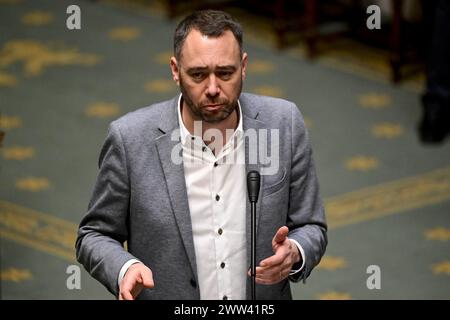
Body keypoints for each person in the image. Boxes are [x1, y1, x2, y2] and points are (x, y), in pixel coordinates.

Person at [76, 9, 327, 300]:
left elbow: (311, 225)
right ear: (174, 70)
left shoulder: (284, 123)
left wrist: (295, 252)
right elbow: (94, 234)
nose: (212, 89)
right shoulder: (130, 139)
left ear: (243, 67)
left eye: (225, 73)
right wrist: (124, 267)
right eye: (197, 74)